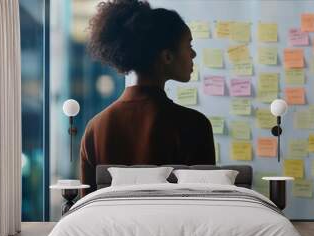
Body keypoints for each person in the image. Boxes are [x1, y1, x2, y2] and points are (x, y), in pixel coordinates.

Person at [81, 0, 215, 195]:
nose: (193, 54)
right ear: (167, 56)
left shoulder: (95, 128)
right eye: (189, 45)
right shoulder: (195, 125)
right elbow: (204, 206)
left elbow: (87, 210)